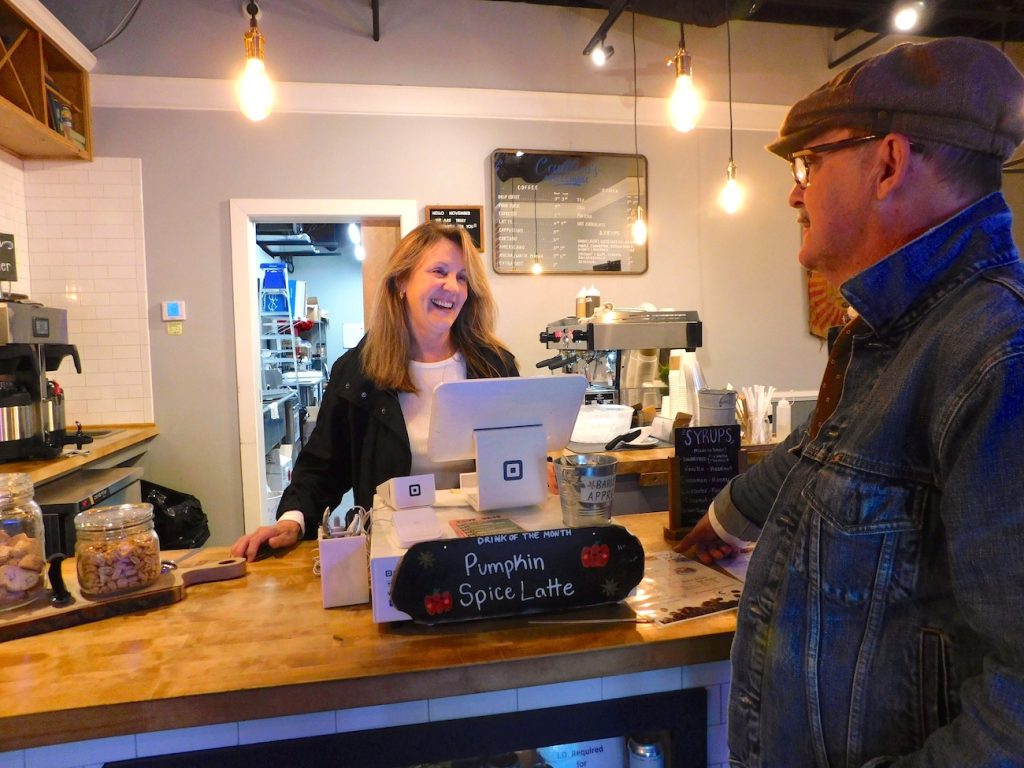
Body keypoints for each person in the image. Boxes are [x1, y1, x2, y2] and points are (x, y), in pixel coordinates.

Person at [677, 38, 1024, 767]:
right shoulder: (893, 335)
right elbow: (824, 461)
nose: (795, 193)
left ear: (889, 163)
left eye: (810, 164)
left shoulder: (997, 351)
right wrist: (717, 521)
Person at [232, 222, 518, 561]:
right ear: (401, 281)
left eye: (462, 277)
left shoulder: (495, 365)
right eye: (439, 271)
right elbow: (323, 465)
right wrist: (291, 520)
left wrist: (540, 464)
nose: (452, 287)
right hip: (396, 553)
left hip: (485, 548)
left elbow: (521, 450)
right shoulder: (357, 372)